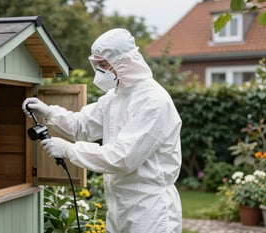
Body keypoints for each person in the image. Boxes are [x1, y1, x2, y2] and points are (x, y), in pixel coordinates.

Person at [22, 28, 182, 233]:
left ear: (125, 61)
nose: (100, 71)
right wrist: (49, 113)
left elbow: (123, 157)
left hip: (149, 210)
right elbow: (83, 126)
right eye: (97, 65)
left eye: (104, 65)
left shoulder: (152, 101)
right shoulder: (116, 96)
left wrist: (70, 151)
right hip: (119, 206)